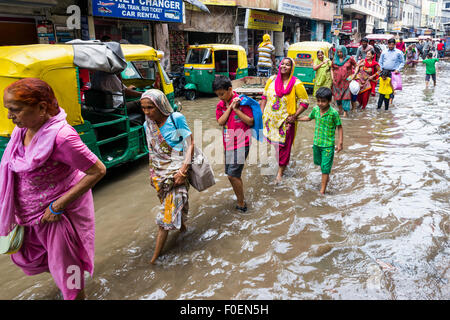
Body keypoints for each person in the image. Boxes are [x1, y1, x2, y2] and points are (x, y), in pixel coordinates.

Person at [0, 78, 106, 300]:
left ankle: (77, 294)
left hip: (55, 217)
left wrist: (58, 206)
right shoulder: (21, 131)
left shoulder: (62, 137)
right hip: (29, 218)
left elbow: (98, 170)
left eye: (15, 110)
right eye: (8, 110)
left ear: (41, 107)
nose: (10, 116)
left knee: (71, 274)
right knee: (39, 260)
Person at [141, 89, 194, 264]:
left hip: (178, 172)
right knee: (170, 205)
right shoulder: (147, 125)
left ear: (161, 105)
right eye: (144, 108)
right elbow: (152, 152)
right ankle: (183, 228)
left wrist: (183, 170)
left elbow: (190, 144)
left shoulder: (176, 119)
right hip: (159, 174)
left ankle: (154, 259)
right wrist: (152, 174)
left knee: (165, 217)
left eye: (151, 107)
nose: (147, 112)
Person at [260, 57, 309, 183]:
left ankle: (280, 172)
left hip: (286, 122)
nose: (284, 66)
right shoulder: (271, 79)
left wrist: (294, 116)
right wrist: (261, 112)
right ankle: (283, 164)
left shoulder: (296, 83)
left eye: (288, 65)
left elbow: (305, 102)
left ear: (291, 68)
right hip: (270, 121)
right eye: (283, 64)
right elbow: (264, 96)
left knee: (284, 146)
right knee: (277, 146)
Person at [214, 76, 254, 213]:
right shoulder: (221, 105)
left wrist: (236, 109)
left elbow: (250, 122)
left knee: (233, 175)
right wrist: (230, 108)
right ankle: (240, 197)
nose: (220, 97)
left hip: (242, 142)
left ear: (230, 89)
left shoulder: (242, 102)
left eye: (222, 94)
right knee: (231, 175)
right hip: (229, 143)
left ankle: (241, 203)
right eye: (217, 95)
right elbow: (221, 122)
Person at [297, 87, 343, 195]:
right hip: (317, 144)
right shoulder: (315, 110)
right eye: (318, 101)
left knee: (325, 168)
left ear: (329, 101)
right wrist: (296, 118)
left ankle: (322, 191)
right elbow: (309, 118)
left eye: (323, 101)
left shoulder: (333, 113)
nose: (320, 103)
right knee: (319, 163)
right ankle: (326, 179)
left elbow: (339, 127)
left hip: (328, 145)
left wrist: (340, 143)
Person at [331, 45, 357, 117]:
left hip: (346, 81)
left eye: (341, 52)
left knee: (346, 97)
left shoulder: (349, 59)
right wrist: (332, 78)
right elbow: (332, 69)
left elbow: (356, 65)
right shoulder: (334, 60)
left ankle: (345, 113)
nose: (339, 54)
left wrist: (353, 75)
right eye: (338, 52)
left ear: (344, 52)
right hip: (337, 82)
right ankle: (340, 110)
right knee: (337, 97)